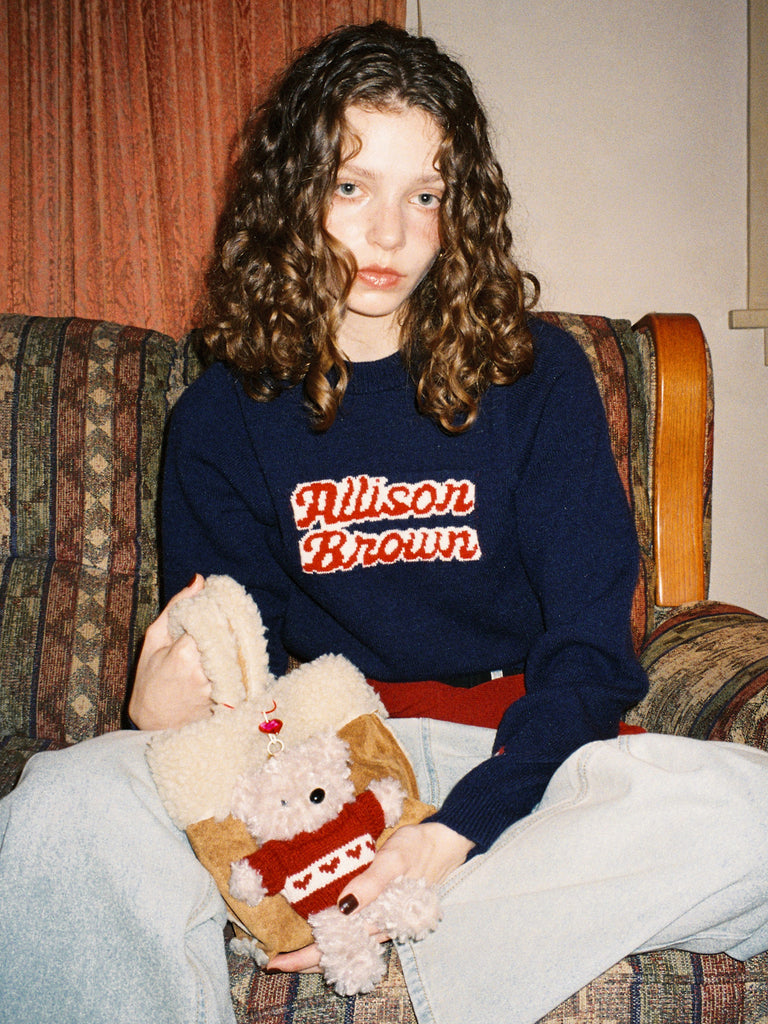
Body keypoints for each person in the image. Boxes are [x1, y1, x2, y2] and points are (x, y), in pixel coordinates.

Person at [0, 21, 766, 1024]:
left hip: (522, 766)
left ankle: (411, 927)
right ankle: (397, 918)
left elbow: (591, 655)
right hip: (323, 765)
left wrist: (447, 839)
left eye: (425, 194)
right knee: (63, 803)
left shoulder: (537, 377)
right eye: (351, 186)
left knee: (751, 810)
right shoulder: (221, 416)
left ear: (462, 208)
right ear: (293, 195)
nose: (392, 234)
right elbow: (243, 683)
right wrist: (166, 717)